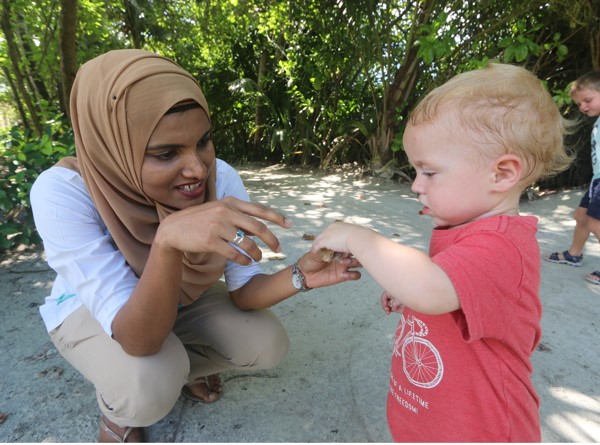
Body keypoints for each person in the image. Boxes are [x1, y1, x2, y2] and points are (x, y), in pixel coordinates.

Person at [29, 49, 361, 443]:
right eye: (166, 153)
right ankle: (119, 415)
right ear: (113, 145)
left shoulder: (221, 178)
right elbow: (138, 339)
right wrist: (167, 240)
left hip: (178, 302)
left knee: (266, 342)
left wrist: (300, 275)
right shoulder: (63, 192)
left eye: (203, 142)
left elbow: (244, 291)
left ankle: (182, 368)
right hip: (93, 310)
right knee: (150, 377)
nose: (198, 170)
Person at [311, 63, 573, 442]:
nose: (416, 185)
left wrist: (358, 238)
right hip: (435, 422)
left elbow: (433, 287)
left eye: (429, 172)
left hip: (482, 430)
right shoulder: (462, 228)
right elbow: (445, 292)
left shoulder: (502, 244)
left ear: (501, 174)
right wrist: (411, 296)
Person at [545, 71, 600, 284]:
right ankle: (573, 254)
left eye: (588, 100)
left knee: (595, 222)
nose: (583, 107)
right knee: (581, 216)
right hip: (597, 179)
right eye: (579, 104)